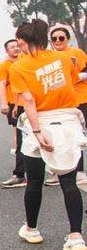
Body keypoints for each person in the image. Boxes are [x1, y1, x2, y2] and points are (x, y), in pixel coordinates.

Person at [10, 19, 87, 250]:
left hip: (39, 122)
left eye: (20, 42)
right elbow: (73, 80)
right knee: (69, 181)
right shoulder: (64, 58)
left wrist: (36, 131)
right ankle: (76, 237)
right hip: (67, 121)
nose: (19, 46)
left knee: (34, 181)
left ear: (25, 41)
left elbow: (29, 101)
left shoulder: (18, 67)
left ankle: (32, 229)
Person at [47, 27, 87, 186]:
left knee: (79, 135)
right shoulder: (50, 57)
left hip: (81, 99)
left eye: (61, 38)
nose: (57, 41)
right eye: (54, 38)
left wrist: (71, 77)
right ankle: (64, 171)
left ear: (67, 39)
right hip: (61, 103)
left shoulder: (77, 53)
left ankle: (79, 171)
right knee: (64, 137)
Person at [0, 39, 27, 189]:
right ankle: (20, 174)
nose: (15, 49)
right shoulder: (4, 66)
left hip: (31, 103)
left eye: (17, 46)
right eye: (12, 47)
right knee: (21, 138)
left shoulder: (26, 60)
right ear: (7, 51)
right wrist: (3, 103)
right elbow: (2, 84)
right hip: (16, 105)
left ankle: (56, 171)